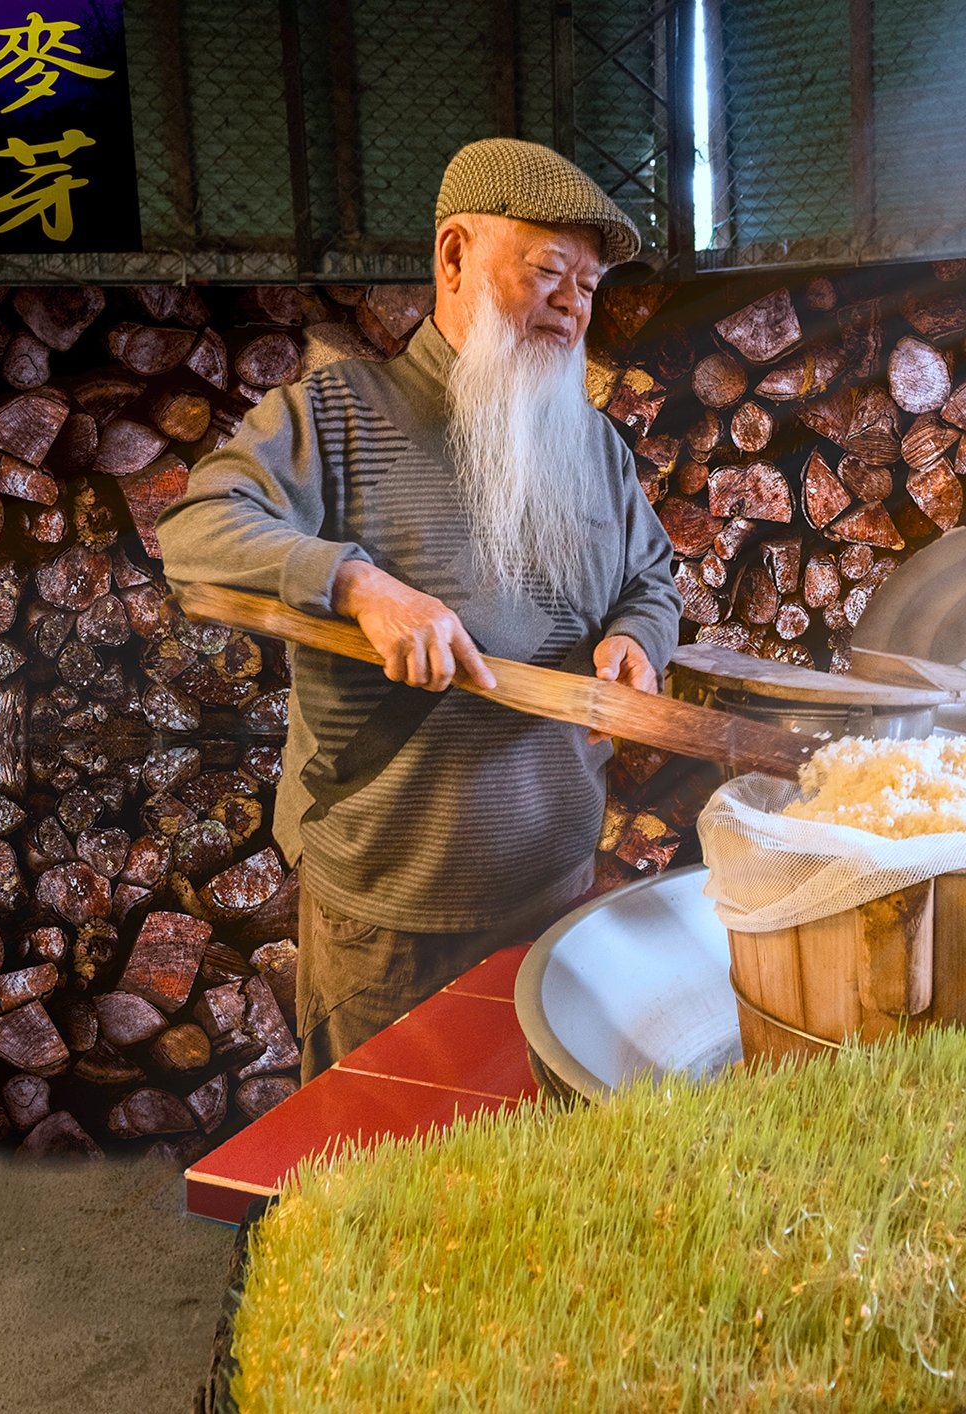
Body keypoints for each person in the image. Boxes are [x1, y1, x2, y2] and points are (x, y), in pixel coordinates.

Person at [157, 140, 681, 1081]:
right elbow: (196, 528)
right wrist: (361, 585)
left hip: (554, 884)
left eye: (590, 285)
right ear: (453, 258)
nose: (574, 304)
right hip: (389, 910)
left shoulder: (593, 444)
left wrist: (639, 637)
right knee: (375, 1168)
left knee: (528, 1161)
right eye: (548, 272)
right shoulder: (336, 414)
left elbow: (652, 576)